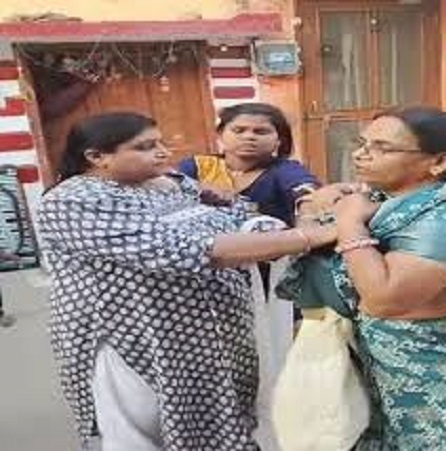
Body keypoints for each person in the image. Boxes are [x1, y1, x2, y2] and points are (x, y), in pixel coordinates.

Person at [36, 112, 338, 451]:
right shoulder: (73, 201)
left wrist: (296, 222)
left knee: (214, 417)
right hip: (132, 338)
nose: (162, 153)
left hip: (201, 336)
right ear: (96, 156)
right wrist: (305, 237)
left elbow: (237, 214)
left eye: (161, 143)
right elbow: (185, 251)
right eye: (145, 147)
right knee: (140, 430)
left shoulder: (170, 183)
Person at [280, 106, 446, 449]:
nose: (360, 154)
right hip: (400, 373)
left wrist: (349, 223)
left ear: (439, 162)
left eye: (382, 148)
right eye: (362, 143)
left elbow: (384, 299)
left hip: (444, 381)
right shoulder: (393, 199)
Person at [179, 102, 320, 226]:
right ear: (220, 135)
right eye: (238, 130)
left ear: (279, 140)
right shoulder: (198, 166)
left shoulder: (285, 170)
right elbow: (171, 190)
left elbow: (305, 189)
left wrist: (309, 209)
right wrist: (200, 188)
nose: (249, 137)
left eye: (261, 132)